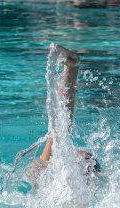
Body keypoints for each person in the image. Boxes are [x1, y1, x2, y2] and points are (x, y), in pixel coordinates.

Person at [24, 43, 100, 188]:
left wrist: (71, 70)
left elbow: (59, 132)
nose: (72, 158)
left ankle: (72, 67)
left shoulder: (42, 181)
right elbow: (59, 129)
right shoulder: (45, 183)